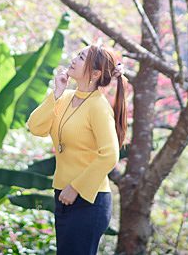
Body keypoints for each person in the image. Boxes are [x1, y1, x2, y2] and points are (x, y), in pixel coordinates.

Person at [26, 44, 128, 255]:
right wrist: (56, 93)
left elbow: (110, 155)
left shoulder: (99, 107)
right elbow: (35, 127)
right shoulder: (65, 97)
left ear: (95, 73)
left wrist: (76, 187)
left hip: (89, 200)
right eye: (78, 55)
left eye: (81, 57)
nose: (74, 59)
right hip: (63, 195)